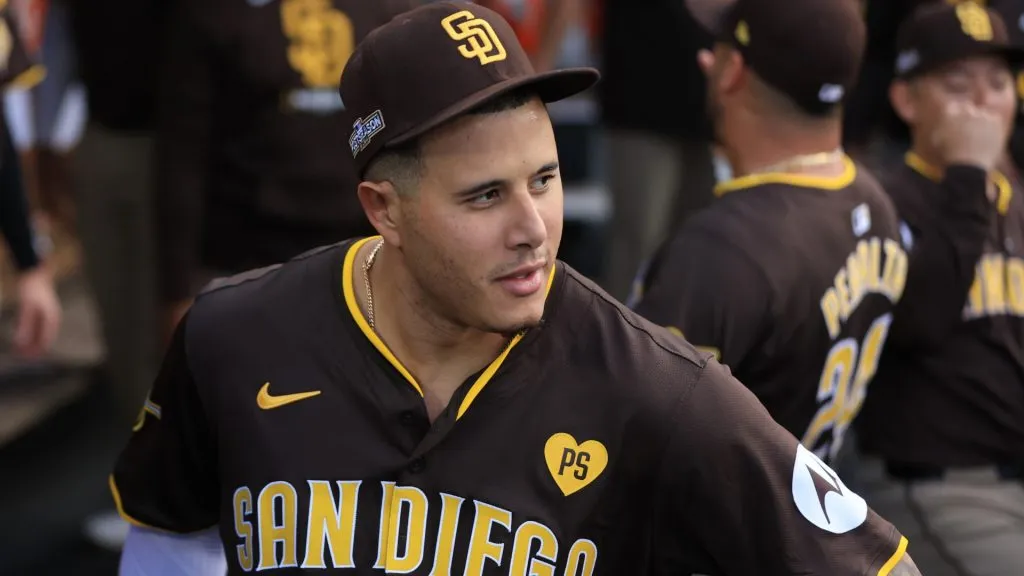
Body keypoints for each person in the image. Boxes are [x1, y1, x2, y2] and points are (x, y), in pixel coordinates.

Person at [109, 3, 919, 574]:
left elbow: (867, 561)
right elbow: (168, 539)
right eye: (485, 195)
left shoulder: (652, 385)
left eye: (547, 177)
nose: (534, 226)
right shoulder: (232, 337)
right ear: (382, 210)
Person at [630, 0, 908, 466]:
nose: (705, 59)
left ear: (732, 72)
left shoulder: (720, 252)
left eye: (716, 51)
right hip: (806, 518)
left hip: (718, 531)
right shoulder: (874, 202)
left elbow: (630, 434)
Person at [853, 3, 1024, 575]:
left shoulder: (1014, 202)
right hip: (934, 486)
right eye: (957, 85)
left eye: (999, 82)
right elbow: (920, 322)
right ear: (906, 101)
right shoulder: (880, 202)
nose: (983, 102)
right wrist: (969, 176)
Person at [155, 0, 421, 343]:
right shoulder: (215, 13)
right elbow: (182, 154)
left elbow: (412, 140)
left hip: (367, 255)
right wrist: (177, 290)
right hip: (245, 259)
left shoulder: (393, 10)